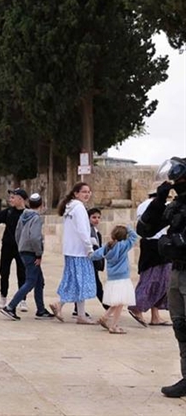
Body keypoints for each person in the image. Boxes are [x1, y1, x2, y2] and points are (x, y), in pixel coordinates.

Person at [137, 156, 186, 398]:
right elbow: (145, 229)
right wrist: (159, 200)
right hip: (177, 271)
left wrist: (176, 241)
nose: (176, 183)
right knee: (181, 326)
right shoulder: (177, 205)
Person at [0, 193, 55, 320]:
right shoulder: (36, 218)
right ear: (41, 205)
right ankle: (10, 307)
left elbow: (17, 233)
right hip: (32, 253)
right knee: (30, 281)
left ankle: (41, 310)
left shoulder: (23, 215)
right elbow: (35, 237)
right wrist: (38, 254)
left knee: (39, 281)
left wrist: (21, 246)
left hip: (24, 251)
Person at [49, 182, 97, 325]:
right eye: (84, 192)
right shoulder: (79, 208)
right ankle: (61, 304)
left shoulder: (69, 208)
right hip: (80, 251)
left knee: (75, 281)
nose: (87, 194)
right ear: (76, 193)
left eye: (88, 192)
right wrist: (89, 247)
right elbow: (83, 230)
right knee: (80, 282)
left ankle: (79, 313)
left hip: (71, 250)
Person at [128, 188, 171, 327]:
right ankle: (137, 307)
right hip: (157, 245)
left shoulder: (142, 205)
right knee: (157, 279)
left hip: (147, 244)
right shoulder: (161, 205)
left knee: (153, 278)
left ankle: (155, 316)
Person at [92, 226, 138, 334]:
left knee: (118, 302)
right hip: (122, 278)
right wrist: (127, 228)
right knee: (120, 303)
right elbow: (134, 236)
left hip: (112, 278)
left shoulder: (107, 246)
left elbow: (96, 255)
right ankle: (113, 325)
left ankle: (106, 317)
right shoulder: (124, 246)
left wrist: (89, 255)